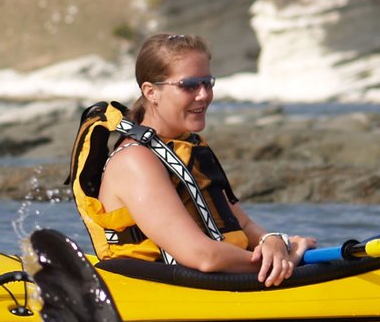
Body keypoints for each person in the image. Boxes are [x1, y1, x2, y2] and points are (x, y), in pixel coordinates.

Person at [66, 32, 315, 287]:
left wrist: (274, 242)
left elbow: (246, 225)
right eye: (189, 85)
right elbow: (203, 256)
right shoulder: (135, 161)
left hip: (219, 282)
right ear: (151, 92)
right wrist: (287, 260)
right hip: (161, 294)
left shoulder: (185, 148)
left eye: (208, 83)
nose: (204, 95)